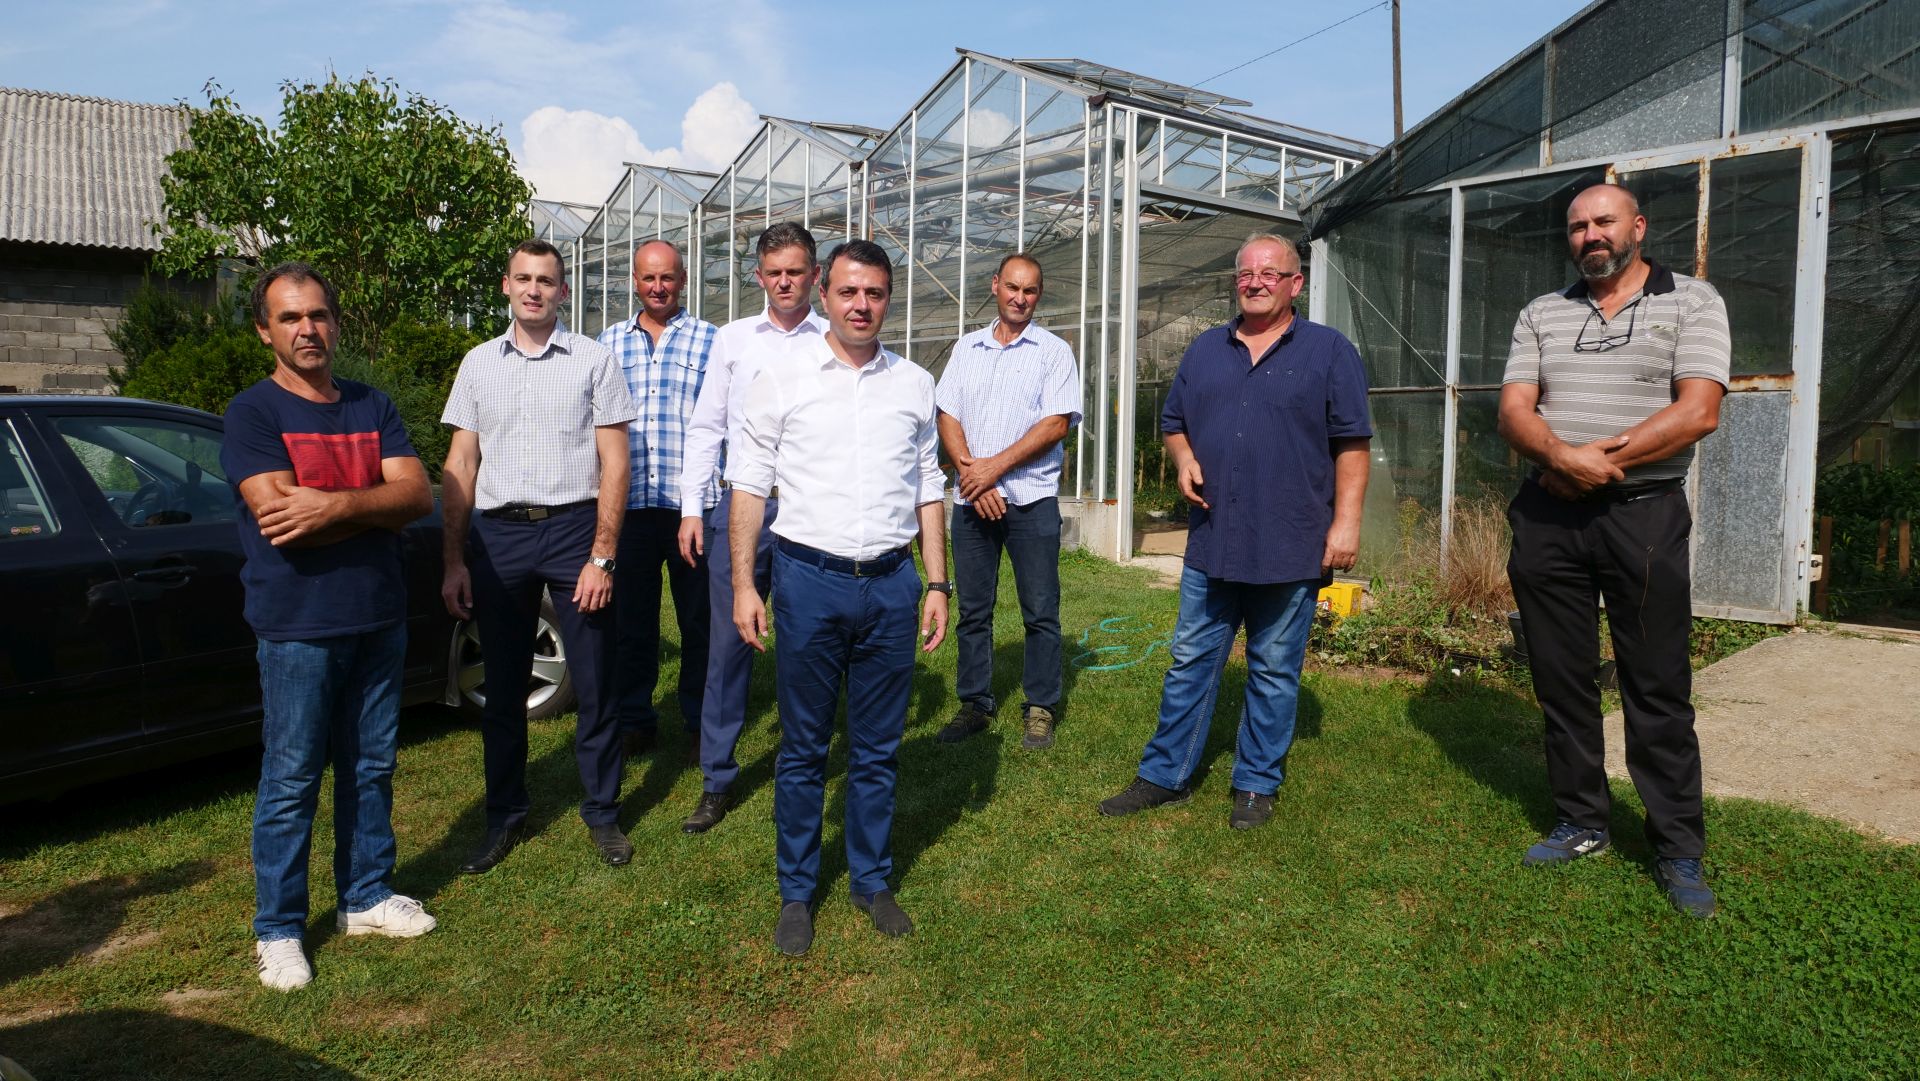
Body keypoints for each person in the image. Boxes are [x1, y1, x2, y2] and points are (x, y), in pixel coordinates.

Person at [1498, 182, 1728, 918]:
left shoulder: (1692, 301)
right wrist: (1559, 459)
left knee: (1656, 683)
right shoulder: (1542, 312)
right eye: (1577, 226)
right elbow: (1514, 410)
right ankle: (1582, 821)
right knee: (1561, 677)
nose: (1590, 235)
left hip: (1642, 513)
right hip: (1549, 516)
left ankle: (1677, 845)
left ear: (1638, 226)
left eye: (1604, 221)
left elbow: (1698, 411)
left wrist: (1590, 463)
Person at [1098, 233, 1371, 830]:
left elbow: (1352, 443)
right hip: (1214, 537)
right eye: (1246, 272)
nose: (1255, 282)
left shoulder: (1329, 351)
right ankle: (1164, 774)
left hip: (1290, 538)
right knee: (1190, 660)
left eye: (1270, 273)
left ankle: (1255, 783)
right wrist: (1182, 459)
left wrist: (1346, 524)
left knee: (1273, 668)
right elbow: (1174, 422)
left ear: (1295, 283)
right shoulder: (1205, 350)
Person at [726, 239, 950, 956]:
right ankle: (796, 891)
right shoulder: (781, 376)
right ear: (824, 293)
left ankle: (871, 880)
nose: (861, 305)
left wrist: (937, 582)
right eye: (849, 291)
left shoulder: (913, 383)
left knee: (878, 748)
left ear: (888, 300)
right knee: (803, 746)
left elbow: (929, 486)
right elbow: (749, 484)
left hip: (891, 584)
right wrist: (744, 584)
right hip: (808, 582)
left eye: (875, 293)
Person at [222, 262, 437, 991]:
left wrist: (334, 505)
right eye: (290, 318)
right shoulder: (254, 413)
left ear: (336, 323)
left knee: (371, 765)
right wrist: (369, 504)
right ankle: (279, 929)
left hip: (378, 614)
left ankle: (366, 895)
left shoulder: (372, 405)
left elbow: (417, 495)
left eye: (317, 315)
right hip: (298, 625)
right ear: (265, 331)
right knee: (291, 778)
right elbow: (281, 517)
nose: (307, 329)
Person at [440, 239, 639, 872]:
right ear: (506, 285)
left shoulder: (593, 360)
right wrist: (453, 560)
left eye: (546, 281)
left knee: (596, 677)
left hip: (575, 530)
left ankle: (602, 811)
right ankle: (504, 815)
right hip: (498, 537)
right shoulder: (478, 363)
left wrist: (602, 556)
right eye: (523, 279)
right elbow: (461, 463)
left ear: (562, 290)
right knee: (502, 686)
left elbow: (615, 462)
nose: (534, 290)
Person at [673, 222, 828, 834]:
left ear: (815, 275)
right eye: (774, 272)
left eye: (796, 271)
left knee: (806, 642)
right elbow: (706, 426)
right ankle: (717, 778)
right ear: (759, 276)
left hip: (809, 512)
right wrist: (692, 507)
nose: (785, 282)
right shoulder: (733, 339)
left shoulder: (832, 341)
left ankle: (801, 762)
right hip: (740, 509)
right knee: (727, 647)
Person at [933, 252, 1081, 750]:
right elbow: (947, 414)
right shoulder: (967, 348)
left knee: (1040, 609)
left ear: (1039, 295)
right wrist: (973, 476)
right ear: (995, 285)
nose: (1020, 298)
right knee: (974, 610)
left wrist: (992, 469)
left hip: (1031, 500)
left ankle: (1040, 706)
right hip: (973, 501)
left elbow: (1055, 424)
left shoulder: (1053, 352)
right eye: (1013, 287)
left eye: (1030, 290)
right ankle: (975, 703)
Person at [598, 240, 715, 765]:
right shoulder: (608, 343)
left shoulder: (709, 340)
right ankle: (635, 720)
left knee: (699, 621)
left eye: (667, 277)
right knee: (632, 623)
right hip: (630, 508)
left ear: (682, 280)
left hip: (692, 508)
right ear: (635, 282)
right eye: (648, 278)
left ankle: (699, 722)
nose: (658, 287)